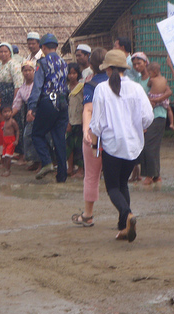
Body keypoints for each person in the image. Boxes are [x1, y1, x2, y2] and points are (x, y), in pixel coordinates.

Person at [89, 49, 154, 242]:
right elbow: (148, 117)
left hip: (112, 145)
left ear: (108, 69)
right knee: (122, 183)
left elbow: (97, 123)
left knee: (112, 188)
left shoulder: (101, 88)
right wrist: (137, 128)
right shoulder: (136, 88)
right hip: (133, 146)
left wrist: (94, 145)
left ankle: (128, 214)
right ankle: (123, 224)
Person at [72, 47, 107, 227]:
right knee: (117, 179)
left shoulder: (91, 83)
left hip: (95, 135)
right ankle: (125, 213)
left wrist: (86, 129)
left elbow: (88, 108)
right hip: (116, 135)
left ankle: (88, 215)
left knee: (92, 175)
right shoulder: (120, 83)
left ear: (91, 65)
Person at [27, 33, 69, 182]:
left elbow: (37, 86)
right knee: (59, 139)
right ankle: (62, 175)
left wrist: (31, 107)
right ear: (56, 47)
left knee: (37, 134)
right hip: (63, 102)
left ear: (43, 47)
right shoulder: (64, 63)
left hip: (48, 101)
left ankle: (46, 162)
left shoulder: (42, 63)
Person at [132, 52, 168, 185]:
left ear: (146, 63)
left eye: (139, 63)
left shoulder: (155, 79)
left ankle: (150, 175)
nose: (136, 66)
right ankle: (155, 176)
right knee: (146, 145)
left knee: (149, 145)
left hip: (158, 115)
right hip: (143, 118)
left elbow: (168, 91)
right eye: (134, 64)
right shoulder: (136, 81)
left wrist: (156, 99)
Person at [12, 60, 38, 169]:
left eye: (30, 70)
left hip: (37, 112)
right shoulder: (22, 88)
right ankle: (34, 161)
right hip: (27, 113)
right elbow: (17, 104)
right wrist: (8, 115)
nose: (27, 73)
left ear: (34, 71)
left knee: (38, 136)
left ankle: (41, 163)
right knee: (28, 137)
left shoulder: (37, 85)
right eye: (25, 70)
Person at [66, 63, 84, 177]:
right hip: (68, 120)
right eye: (69, 73)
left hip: (79, 120)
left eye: (74, 73)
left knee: (79, 146)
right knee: (69, 145)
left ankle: (81, 169)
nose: (72, 76)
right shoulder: (65, 87)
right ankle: (70, 168)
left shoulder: (82, 87)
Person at [147, 62, 174, 131]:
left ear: (154, 72)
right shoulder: (164, 79)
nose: (149, 75)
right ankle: (172, 123)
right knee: (169, 109)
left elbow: (148, 85)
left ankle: (147, 122)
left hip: (153, 97)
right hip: (163, 98)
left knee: (150, 108)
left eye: (149, 73)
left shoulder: (151, 79)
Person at [0, 42, 23, 107]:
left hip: (10, 97)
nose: (3, 54)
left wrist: (15, 102)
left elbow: (18, 85)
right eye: (1, 52)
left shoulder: (14, 65)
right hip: (0, 98)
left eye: (5, 51)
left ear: (10, 53)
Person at [0, 106, 19, 177]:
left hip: (11, 140)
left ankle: (8, 170)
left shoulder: (12, 121)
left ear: (11, 112)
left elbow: (17, 130)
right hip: (5, 140)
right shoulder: (5, 122)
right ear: (2, 114)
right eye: (5, 112)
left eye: (8, 111)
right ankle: (6, 169)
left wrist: (16, 140)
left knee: (8, 156)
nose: (7, 114)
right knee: (4, 156)